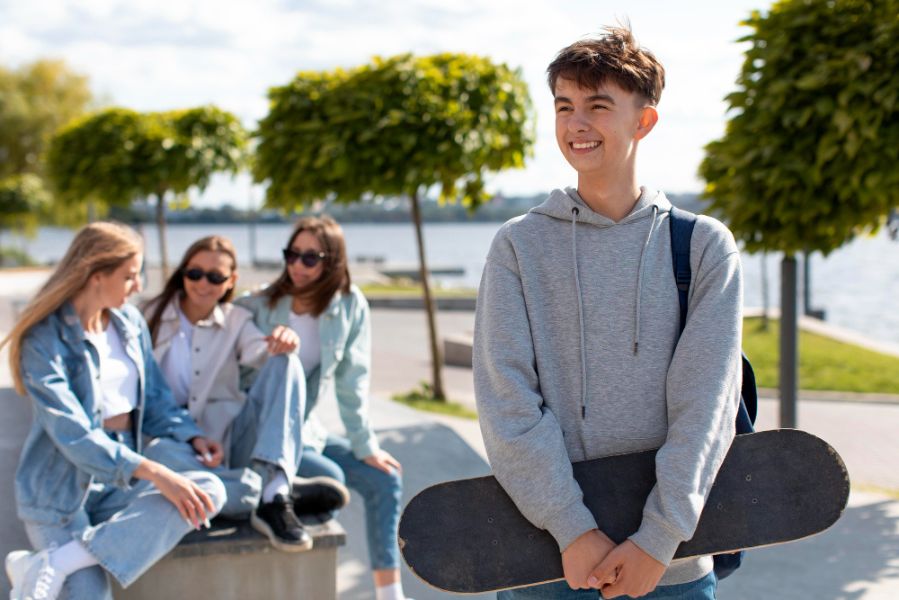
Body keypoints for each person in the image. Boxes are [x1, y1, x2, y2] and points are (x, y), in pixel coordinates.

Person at [473, 26, 742, 600]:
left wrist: (658, 540)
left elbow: (707, 405)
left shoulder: (702, 246)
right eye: (564, 106)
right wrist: (573, 530)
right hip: (544, 561)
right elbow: (507, 400)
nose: (576, 125)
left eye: (598, 106)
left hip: (669, 571)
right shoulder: (519, 245)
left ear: (643, 121)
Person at [1, 222, 226, 600]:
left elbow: (154, 400)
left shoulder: (130, 324)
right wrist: (154, 471)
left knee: (207, 490)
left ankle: (55, 561)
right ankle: (62, 560)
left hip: (118, 481)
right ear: (95, 274)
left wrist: (193, 435)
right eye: (130, 276)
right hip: (59, 493)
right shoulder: (45, 338)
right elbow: (72, 434)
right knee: (91, 595)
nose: (138, 286)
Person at [236, 216, 410, 600]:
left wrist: (366, 447)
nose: (297, 265)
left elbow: (354, 382)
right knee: (330, 477)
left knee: (385, 479)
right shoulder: (258, 305)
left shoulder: (350, 306)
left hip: (307, 433)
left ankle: (389, 594)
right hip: (262, 436)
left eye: (309, 258)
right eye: (291, 255)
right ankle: (270, 493)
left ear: (332, 261)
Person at [142, 235, 350, 552]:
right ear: (182, 272)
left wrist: (283, 341)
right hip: (173, 447)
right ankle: (269, 493)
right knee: (156, 459)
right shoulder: (147, 316)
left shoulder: (237, 320)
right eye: (194, 273)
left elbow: (261, 351)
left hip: (229, 443)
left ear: (231, 281)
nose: (202, 283)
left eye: (215, 277)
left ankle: (274, 490)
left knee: (285, 362)